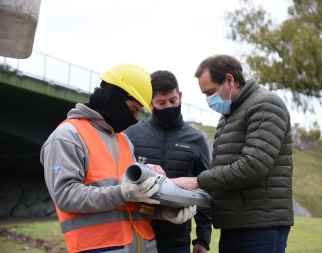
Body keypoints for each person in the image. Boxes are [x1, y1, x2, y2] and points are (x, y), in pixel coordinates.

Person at [40, 63, 197, 253]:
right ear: (114, 98)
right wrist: (122, 194)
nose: (134, 118)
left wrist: (160, 213)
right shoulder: (68, 136)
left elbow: (131, 201)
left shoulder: (123, 140)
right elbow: (66, 196)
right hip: (99, 248)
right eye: (132, 109)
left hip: (145, 246)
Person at [172, 55, 294, 253]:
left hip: (261, 227)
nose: (208, 99)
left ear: (229, 80)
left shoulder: (265, 105)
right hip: (235, 223)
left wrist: (198, 181)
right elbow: (223, 168)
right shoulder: (228, 115)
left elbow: (253, 166)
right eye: (204, 94)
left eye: (211, 92)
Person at [124, 70, 212, 253]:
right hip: (135, 237)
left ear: (180, 96)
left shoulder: (196, 139)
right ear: (150, 103)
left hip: (177, 241)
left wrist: (202, 239)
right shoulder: (130, 135)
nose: (169, 107)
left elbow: (206, 189)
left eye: (173, 101)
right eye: (161, 103)